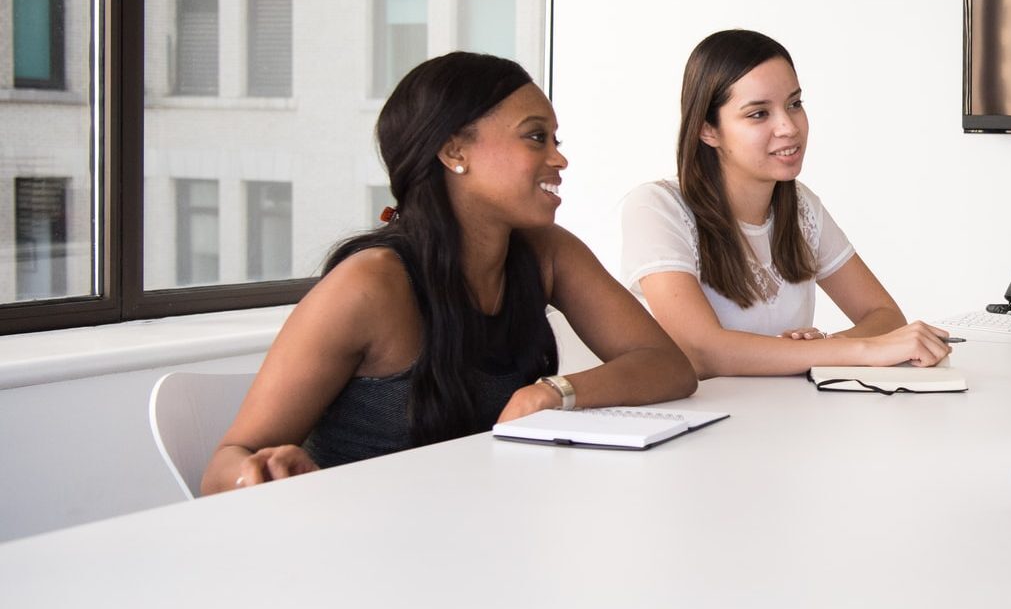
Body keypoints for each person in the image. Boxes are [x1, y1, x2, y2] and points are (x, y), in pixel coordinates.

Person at [204, 53, 697, 494]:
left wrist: (553, 392)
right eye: (534, 137)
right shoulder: (370, 286)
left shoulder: (547, 252)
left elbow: (667, 366)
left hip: (478, 532)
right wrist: (260, 474)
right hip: (365, 551)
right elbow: (224, 468)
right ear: (454, 152)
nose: (558, 157)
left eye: (554, 138)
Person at [620, 29, 950, 377]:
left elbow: (884, 316)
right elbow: (702, 351)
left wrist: (822, 347)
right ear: (708, 130)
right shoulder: (656, 208)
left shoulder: (801, 206)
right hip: (701, 425)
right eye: (759, 114)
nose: (789, 127)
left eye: (794, 104)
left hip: (787, 419)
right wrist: (846, 351)